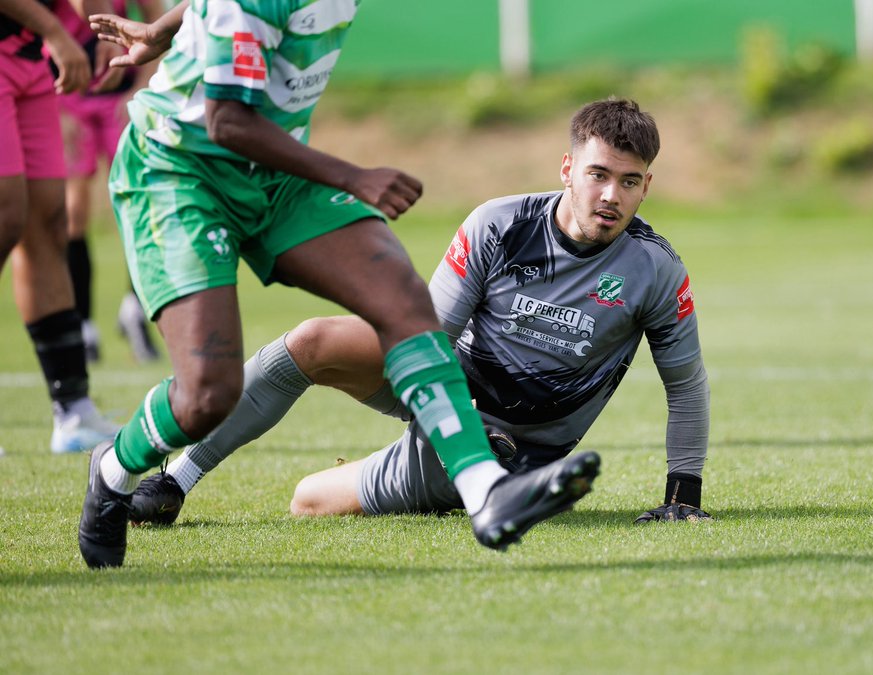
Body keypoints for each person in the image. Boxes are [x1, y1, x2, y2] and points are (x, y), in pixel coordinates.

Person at [77, 0, 599, 569]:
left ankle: (485, 493)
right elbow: (225, 120)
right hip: (179, 170)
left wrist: (163, 27)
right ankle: (114, 468)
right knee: (207, 395)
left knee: (402, 301)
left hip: (275, 176)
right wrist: (354, 176)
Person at [128, 98, 712, 528]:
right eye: (598, 175)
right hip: (446, 389)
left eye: (629, 182)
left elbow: (685, 385)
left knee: (306, 499)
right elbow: (425, 335)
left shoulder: (655, 270)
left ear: (646, 186)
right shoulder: (499, 224)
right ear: (567, 169)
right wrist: (445, 415)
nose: (611, 195)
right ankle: (176, 479)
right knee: (311, 341)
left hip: (515, 446)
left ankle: (488, 479)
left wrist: (683, 497)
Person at [1, 0, 123, 454]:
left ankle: (72, 409)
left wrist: (100, 31)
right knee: (5, 214)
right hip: (27, 42)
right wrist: (55, 30)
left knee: (49, 222)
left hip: (29, 58)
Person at [55, 0, 163, 363]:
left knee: (143, 205)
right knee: (74, 212)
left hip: (121, 98)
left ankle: (134, 309)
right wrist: (54, 108)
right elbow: (39, 35)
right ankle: (84, 325)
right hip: (71, 100)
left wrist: (144, 87)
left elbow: (158, 25)